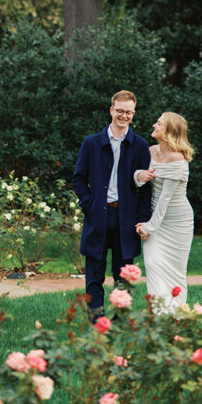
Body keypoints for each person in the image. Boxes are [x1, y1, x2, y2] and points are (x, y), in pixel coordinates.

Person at [72, 90, 153, 319]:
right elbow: (78, 178)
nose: (123, 116)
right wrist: (88, 204)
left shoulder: (139, 145)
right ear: (111, 110)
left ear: (134, 113)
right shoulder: (91, 143)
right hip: (97, 214)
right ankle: (96, 319)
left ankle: (119, 319)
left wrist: (143, 219)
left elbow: (145, 188)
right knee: (94, 272)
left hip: (126, 218)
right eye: (120, 111)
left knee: (123, 273)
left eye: (128, 112)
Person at [135, 112, 194, 312]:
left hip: (177, 223)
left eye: (159, 123)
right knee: (152, 266)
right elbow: (135, 175)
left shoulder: (178, 159)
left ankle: (176, 317)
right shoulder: (150, 151)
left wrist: (148, 227)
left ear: (169, 131)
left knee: (176, 273)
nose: (154, 125)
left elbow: (165, 198)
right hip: (155, 220)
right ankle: (160, 317)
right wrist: (138, 176)